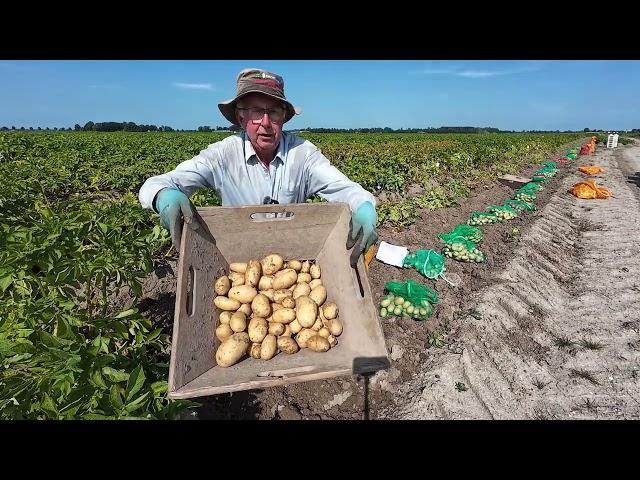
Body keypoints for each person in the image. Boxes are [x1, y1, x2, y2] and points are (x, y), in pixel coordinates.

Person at [138, 67, 377, 268]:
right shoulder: (222, 155)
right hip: (238, 262)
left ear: (284, 117)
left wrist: (364, 205)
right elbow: (156, 184)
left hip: (292, 262)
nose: (265, 123)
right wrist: (163, 196)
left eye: (273, 112)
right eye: (256, 112)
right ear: (241, 119)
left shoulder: (303, 154)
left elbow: (345, 188)